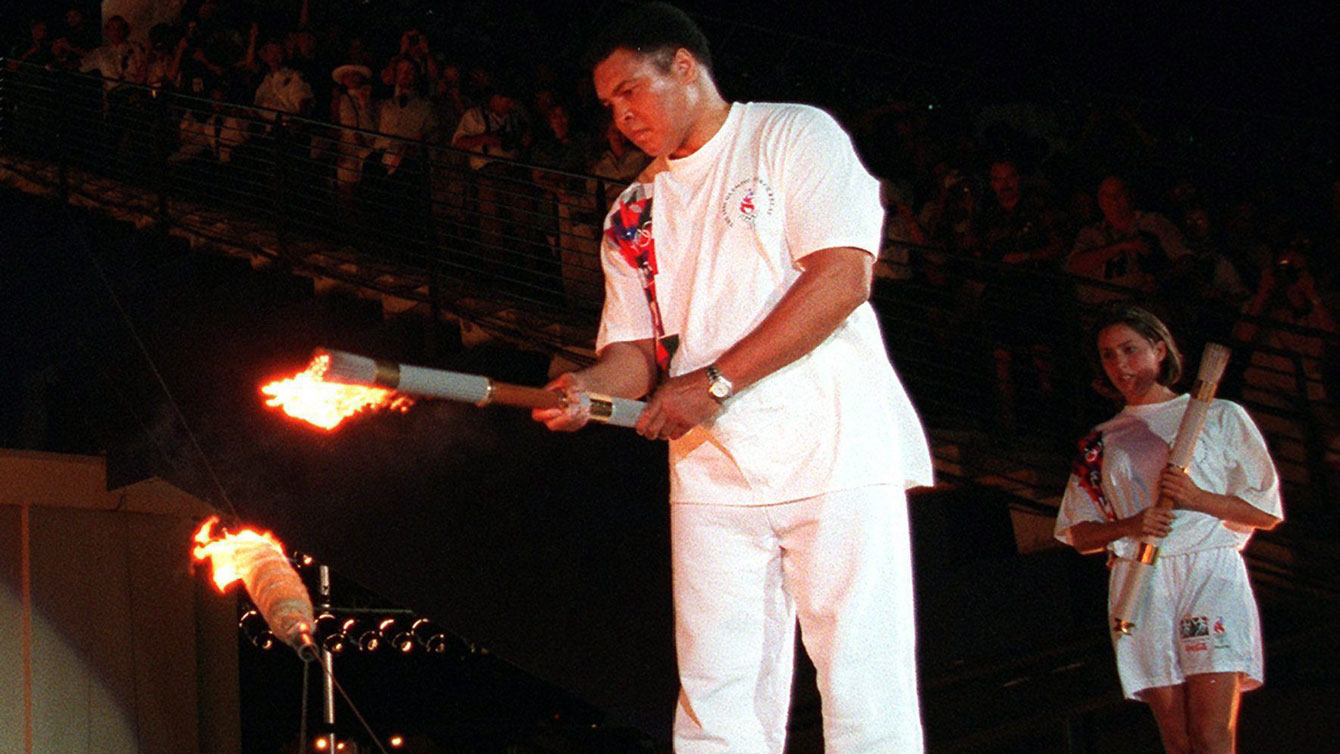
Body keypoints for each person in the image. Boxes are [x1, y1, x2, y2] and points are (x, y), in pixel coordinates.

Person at [531, 4, 933, 752]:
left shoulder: (790, 134)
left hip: (833, 452)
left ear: (684, 64)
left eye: (631, 91)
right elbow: (634, 356)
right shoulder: (633, 213)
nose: (622, 117)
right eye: (609, 106)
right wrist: (591, 389)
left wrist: (711, 382)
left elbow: (842, 278)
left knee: (862, 687)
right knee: (719, 697)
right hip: (712, 470)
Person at [1055, 304, 1283, 754]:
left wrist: (1199, 499)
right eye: (1108, 355)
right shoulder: (1101, 441)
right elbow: (1078, 534)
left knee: (1212, 733)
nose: (1120, 365)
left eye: (1131, 350)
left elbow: (1267, 512)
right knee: (1177, 739)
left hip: (1209, 571)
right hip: (1141, 579)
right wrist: (1132, 524)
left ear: (1160, 350)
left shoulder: (1220, 416)